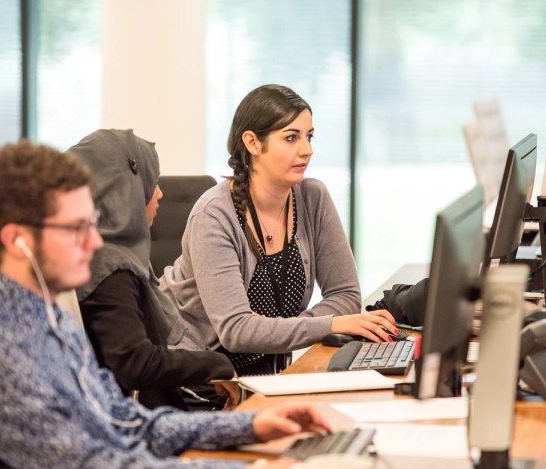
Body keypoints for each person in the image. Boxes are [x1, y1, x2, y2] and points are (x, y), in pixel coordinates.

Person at [0, 139, 330, 469]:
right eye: (76, 228)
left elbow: (127, 421)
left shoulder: (47, 319)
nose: (93, 242)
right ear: (17, 240)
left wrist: (249, 426)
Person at [160, 84, 399, 375]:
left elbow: (346, 295)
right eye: (291, 138)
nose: (307, 150)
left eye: (309, 137)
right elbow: (236, 331)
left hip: (268, 372)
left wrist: (272, 329)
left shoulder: (313, 198)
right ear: (252, 143)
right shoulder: (214, 215)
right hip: (202, 378)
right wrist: (329, 323)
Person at [69, 129, 238, 411]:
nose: (159, 193)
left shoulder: (103, 256)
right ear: (125, 189)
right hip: (140, 424)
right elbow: (135, 364)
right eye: (153, 182)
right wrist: (216, 365)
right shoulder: (110, 268)